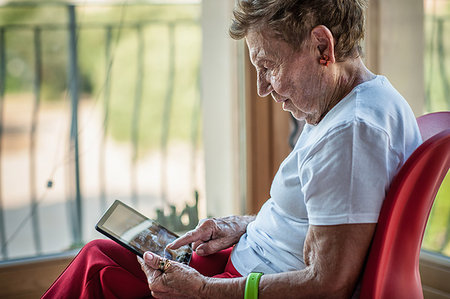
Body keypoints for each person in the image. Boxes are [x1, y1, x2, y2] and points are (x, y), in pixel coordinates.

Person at [42, 0, 422, 298]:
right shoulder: (353, 103)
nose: (262, 87)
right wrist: (240, 226)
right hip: (245, 263)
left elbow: (327, 284)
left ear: (322, 46)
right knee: (105, 256)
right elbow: (313, 219)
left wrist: (204, 291)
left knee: (96, 269)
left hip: (244, 284)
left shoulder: (351, 134)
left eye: (268, 66)